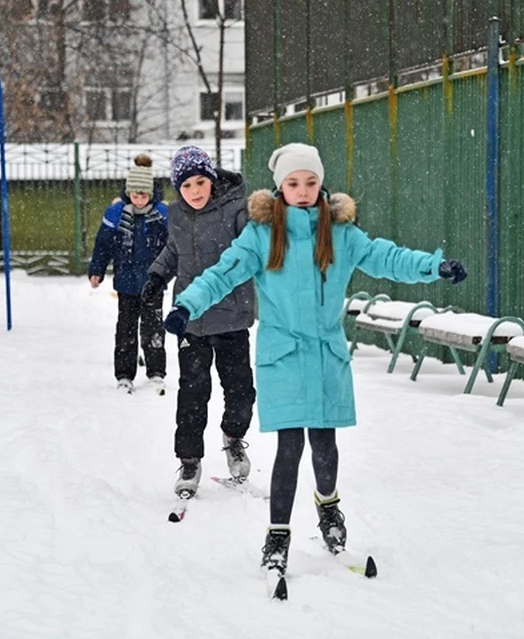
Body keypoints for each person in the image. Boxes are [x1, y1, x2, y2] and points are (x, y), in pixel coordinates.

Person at [162, 142, 467, 577]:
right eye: (293, 183)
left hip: (325, 354)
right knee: (290, 446)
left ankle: (329, 512)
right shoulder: (261, 234)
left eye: (310, 182)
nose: (302, 190)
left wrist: (432, 267)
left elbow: (387, 257)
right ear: (280, 186)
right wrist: (186, 306)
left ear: (320, 184)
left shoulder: (341, 232)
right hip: (282, 354)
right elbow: (222, 274)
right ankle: (277, 536)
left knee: (325, 442)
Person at [143, 146, 257, 493]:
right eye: (186, 185)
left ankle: (233, 436)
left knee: (240, 392)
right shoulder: (176, 214)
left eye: (199, 182)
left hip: (233, 315)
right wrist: (157, 276)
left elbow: (253, 247)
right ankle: (189, 462)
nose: (194, 191)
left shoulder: (238, 209)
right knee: (193, 393)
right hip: (190, 320)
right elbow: (174, 250)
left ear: (211, 180)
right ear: (178, 189)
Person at [88, 154, 169, 395]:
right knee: (126, 329)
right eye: (135, 194)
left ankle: (156, 372)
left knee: (153, 328)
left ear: (151, 194)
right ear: (128, 192)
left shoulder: (162, 215)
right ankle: (124, 374)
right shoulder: (116, 214)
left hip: (153, 282)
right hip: (126, 282)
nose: (140, 199)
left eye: (144, 195)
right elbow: (103, 245)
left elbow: (173, 247)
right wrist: (97, 271)